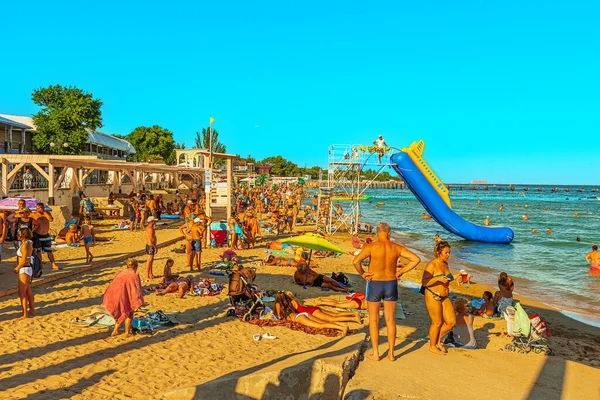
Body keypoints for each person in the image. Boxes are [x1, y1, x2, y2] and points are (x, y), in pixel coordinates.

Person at [352, 222, 421, 361]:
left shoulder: (371, 247)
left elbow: (355, 261)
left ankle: (376, 353)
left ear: (377, 233)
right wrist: (401, 271)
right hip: (391, 283)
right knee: (390, 319)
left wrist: (363, 273)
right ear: (389, 234)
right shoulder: (396, 247)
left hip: (375, 283)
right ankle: (391, 353)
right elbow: (416, 259)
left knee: (374, 319)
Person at [420, 240, 457, 355]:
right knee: (437, 322)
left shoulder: (445, 264)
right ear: (438, 252)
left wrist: (456, 277)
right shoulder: (432, 264)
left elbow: (448, 278)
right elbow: (424, 282)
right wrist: (437, 279)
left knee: (451, 321)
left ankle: (437, 340)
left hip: (444, 295)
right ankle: (432, 345)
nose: (448, 255)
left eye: (449, 252)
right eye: (446, 252)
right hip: (433, 295)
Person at [274, 292, 349, 336]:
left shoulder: (279, 305)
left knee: (319, 325)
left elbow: (279, 317)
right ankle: (341, 327)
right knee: (323, 322)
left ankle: (342, 328)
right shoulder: (290, 303)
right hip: (304, 313)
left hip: (299, 317)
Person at [102, 258, 144, 337]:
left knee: (122, 312)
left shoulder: (122, 272)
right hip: (122, 296)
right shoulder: (134, 275)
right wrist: (137, 301)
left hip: (114, 294)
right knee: (129, 312)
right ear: (135, 266)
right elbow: (136, 290)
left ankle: (115, 330)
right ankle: (127, 332)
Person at [286, 292, 361, 324]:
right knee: (335, 314)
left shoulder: (292, 303)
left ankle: (353, 318)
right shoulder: (296, 300)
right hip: (313, 308)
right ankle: (353, 313)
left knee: (333, 319)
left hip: (313, 312)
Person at [31, 202, 60, 270]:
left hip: (45, 235)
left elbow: (50, 219)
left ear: (43, 208)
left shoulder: (47, 214)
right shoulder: (33, 214)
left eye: (40, 208)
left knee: (49, 250)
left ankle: (53, 264)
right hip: (37, 235)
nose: (38, 209)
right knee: (38, 251)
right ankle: (39, 265)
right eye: (37, 208)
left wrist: (44, 212)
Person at [13, 227, 35, 319]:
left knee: (22, 293)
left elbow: (24, 259)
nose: (17, 235)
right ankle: (32, 310)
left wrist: (17, 268)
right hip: (27, 268)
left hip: (24, 269)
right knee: (28, 291)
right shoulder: (29, 243)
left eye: (19, 234)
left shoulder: (26, 245)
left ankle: (24, 313)